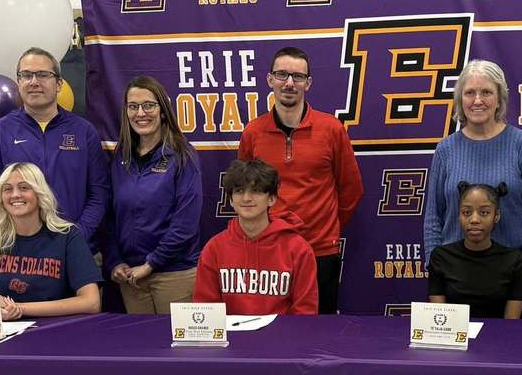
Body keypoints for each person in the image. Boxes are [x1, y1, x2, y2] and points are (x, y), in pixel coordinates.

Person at [238, 46, 362, 313]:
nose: (289, 83)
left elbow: (351, 190)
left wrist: (326, 228)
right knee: (270, 328)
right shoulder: (253, 133)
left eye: (298, 76)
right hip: (269, 249)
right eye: (282, 75)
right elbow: (244, 191)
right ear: (270, 79)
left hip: (320, 251)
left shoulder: (331, 129)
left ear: (309, 83)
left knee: (320, 331)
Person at [423, 59, 522, 310]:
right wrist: (435, 268)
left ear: (499, 99)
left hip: (509, 279)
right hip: (454, 278)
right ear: (460, 99)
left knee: (511, 337)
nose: (477, 100)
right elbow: (433, 217)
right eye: (470, 93)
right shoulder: (446, 149)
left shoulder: (520, 144)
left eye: (486, 92)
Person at [0, 47, 109, 249]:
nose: (34, 82)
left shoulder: (84, 131)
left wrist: (76, 238)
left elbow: (99, 194)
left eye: (42, 75)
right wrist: (20, 237)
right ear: (18, 82)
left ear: (59, 84)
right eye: (26, 75)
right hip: (19, 249)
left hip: (76, 247)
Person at [0, 162, 101, 319]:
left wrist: (18, 309)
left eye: (24, 187)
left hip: (53, 330)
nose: (15, 195)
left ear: (39, 193)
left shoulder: (67, 235)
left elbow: (91, 302)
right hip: (0, 331)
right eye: (7, 189)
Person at [108, 76, 202, 313]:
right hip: (131, 276)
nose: (141, 113)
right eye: (133, 106)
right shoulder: (121, 157)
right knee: (142, 338)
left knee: (176, 338)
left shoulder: (182, 156)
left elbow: (185, 224)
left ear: (163, 110)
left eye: (148, 105)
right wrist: (115, 261)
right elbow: (109, 216)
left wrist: (152, 263)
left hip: (174, 274)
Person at [194, 159, 318, 315]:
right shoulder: (214, 249)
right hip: (230, 331)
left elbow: (305, 310)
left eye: (256, 191)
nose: (246, 198)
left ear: (271, 198)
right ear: (231, 199)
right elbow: (206, 309)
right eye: (239, 191)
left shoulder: (298, 249)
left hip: (282, 331)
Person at [428, 182, 522, 318]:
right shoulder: (441, 257)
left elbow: (511, 323)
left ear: (496, 216)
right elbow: (439, 319)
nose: (474, 219)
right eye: (466, 212)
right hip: (454, 331)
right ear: (459, 215)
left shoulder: (514, 260)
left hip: (499, 332)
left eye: (484, 213)